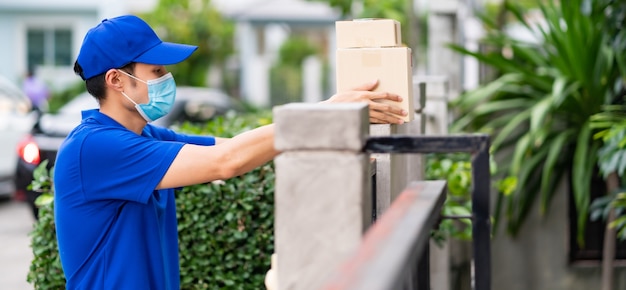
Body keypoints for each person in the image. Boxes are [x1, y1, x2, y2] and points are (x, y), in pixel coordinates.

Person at [54, 15, 407, 290]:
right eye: (157, 71)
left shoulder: (144, 136)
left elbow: (232, 147)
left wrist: (324, 110)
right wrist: (323, 115)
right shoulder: (95, 149)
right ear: (116, 80)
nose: (166, 78)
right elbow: (227, 162)